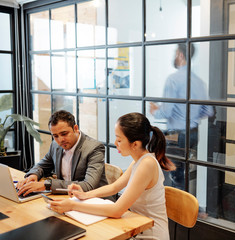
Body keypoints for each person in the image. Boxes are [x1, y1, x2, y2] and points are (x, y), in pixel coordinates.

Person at [50, 112, 175, 240]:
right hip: (136, 227)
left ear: (135, 144)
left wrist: (72, 205)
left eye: (119, 140)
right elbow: (114, 187)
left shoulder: (147, 164)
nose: (115, 143)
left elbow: (117, 210)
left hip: (150, 233)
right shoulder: (139, 161)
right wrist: (85, 195)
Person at [150, 43, 213, 190]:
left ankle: (178, 211)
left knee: (175, 176)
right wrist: (191, 115)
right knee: (184, 172)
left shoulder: (173, 79)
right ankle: (187, 208)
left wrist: (155, 110)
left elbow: (165, 112)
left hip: (177, 136)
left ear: (181, 55)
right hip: (193, 134)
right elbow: (208, 111)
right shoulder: (199, 82)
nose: (174, 56)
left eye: (175, 52)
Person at [16, 110, 108, 196]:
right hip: (67, 197)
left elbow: (88, 186)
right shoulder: (55, 145)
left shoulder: (94, 148)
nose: (60, 140)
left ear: (75, 128)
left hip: (95, 200)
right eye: (55, 136)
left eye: (64, 134)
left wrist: (47, 185)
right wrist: (33, 175)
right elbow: (42, 166)